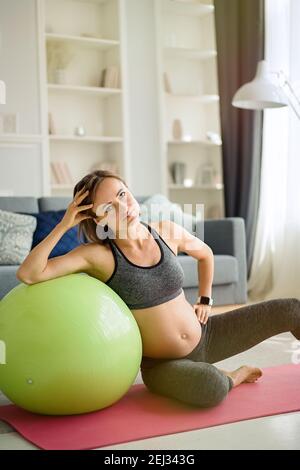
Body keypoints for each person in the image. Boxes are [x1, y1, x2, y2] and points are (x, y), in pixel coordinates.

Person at [17, 170, 300, 408]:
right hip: (163, 366)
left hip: (207, 335)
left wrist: (205, 298)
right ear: (97, 219)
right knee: (211, 388)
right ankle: (233, 376)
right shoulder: (98, 255)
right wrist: (64, 224)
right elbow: (29, 273)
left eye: (122, 194)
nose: (122, 207)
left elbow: (206, 254)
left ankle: (210, 369)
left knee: (291, 309)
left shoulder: (165, 231)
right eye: (108, 208)